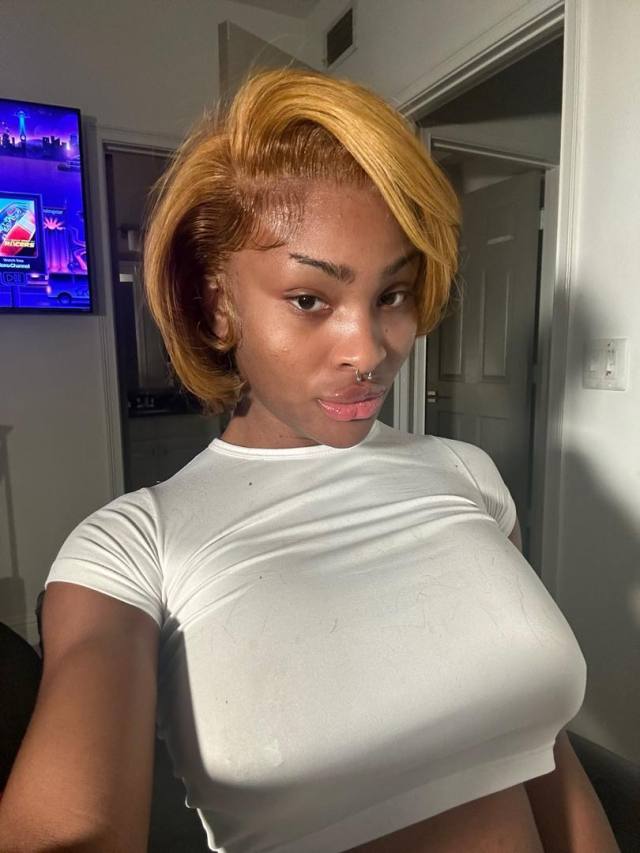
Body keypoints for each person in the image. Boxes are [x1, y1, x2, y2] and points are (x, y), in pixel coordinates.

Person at [0, 69, 619, 853]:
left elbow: (539, 744)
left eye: (392, 294)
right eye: (309, 300)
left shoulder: (470, 475)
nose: (370, 350)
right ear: (219, 306)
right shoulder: (131, 547)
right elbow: (70, 826)